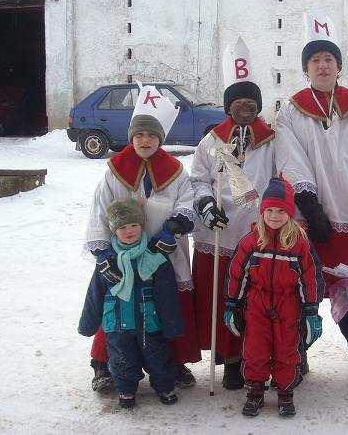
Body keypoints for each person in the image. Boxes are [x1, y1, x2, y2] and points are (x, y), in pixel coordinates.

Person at [274, 12, 348, 395]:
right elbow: (291, 159)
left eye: (329, 59)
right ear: (306, 68)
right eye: (315, 60)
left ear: (338, 66)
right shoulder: (291, 111)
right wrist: (309, 204)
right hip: (309, 221)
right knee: (299, 292)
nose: (322, 66)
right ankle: (297, 358)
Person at [84, 85, 201, 392]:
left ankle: (173, 362)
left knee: (167, 306)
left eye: (151, 136)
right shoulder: (114, 171)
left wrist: (175, 226)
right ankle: (103, 364)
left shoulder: (176, 171)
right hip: (122, 254)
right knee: (116, 305)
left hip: (166, 253)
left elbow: (186, 201)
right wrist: (102, 254)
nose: (145, 141)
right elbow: (100, 210)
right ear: (131, 137)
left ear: (160, 139)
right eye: (140, 135)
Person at [190, 37, 276, 390]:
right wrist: (207, 207)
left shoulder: (272, 139)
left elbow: (280, 179)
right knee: (221, 298)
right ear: (228, 107)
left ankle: (254, 356)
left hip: (258, 233)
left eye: (251, 103)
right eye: (239, 103)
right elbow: (197, 181)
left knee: (253, 301)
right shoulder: (212, 142)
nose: (245, 109)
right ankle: (228, 358)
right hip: (220, 235)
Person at [223, 177, 324, 417]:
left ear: (289, 212)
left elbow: (310, 278)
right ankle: (255, 391)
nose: (275, 215)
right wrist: (232, 305)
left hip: (288, 303)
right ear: (262, 211)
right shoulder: (251, 242)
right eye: (269, 210)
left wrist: (310, 310)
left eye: (280, 210)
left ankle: (285, 391)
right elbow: (237, 275)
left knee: (286, 349)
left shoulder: (299, 244)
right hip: (256, 303)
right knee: (255, 348)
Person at [78, 198, 183, 408]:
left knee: (157, 356)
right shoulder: (107, 262)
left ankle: (164, 386)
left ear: (142, 225)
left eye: (134, 225)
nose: (129, 231)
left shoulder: (154, 257)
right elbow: (94, 294)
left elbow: (167, 294)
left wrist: (172, 325)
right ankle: (126, 390)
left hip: (150, 322)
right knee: (121, 359)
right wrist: (88, 324)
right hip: (117, 323)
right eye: (122, 227)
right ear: (114, 231)